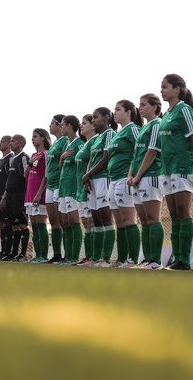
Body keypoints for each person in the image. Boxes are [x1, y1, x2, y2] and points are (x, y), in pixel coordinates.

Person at [158, 74, 193, 271]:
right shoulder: (166, 114)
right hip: (167, 169)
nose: (162, 90)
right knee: (173, 214)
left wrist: (192, 162)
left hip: (182, 167)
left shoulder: (184, 109)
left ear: (177, 89)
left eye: (165, 87)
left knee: (183, 212)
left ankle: (185, 259)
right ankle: (177, 258)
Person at [129, 94, 164, 270]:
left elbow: (152, 152)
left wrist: (138, 176)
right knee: (143, 220)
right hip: (137, 179)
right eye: (139, 104)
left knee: (152, 218)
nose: (140, 108)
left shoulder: (157, 124)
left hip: (151, 176)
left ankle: (155, 260)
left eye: (143, 104)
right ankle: (147, 258)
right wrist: (131, 175)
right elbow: (135, 155)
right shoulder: (143, 127)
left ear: (155, 106)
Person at [108, 100, 141, 267]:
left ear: (128, 112)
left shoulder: (133, 129)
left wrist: (132, 173)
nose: (114, 112)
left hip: (124, 178)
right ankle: (121, 259)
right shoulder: (118, 133)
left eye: (118, 109)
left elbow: (140, 150)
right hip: (113, 180)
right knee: (119, 222)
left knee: (129, 220)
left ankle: (133, 259)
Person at [82, 107, 117, 267]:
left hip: (104, 180)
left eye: (96, 117)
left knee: (105, 218)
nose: (93, 120)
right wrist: (87, 177)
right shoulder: (96, 138)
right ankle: (96, 258)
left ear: (106, 118)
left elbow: (106, 158)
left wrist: (88, 174)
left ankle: (106, 258)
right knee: (96, 220)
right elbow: (91, 159)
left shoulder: (110, 134)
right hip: (93, 181)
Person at [58, 116, 85, 264]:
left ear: (69, 126)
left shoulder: (79, 144)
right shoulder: (66, 144)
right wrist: (61, 159)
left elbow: (83, 164)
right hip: (63, 187)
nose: (61, 128)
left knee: (74, 221)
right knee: (65, 222)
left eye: (63, 125)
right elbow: (60, 167)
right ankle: (67, 256)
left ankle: (74, 257)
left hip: (73, 187)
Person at [1, 136, 30, 261]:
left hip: (20, 195)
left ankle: (23, 254)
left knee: (22, 224)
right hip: (10, 196)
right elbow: (9, 179)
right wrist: (5, 195)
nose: (11, 143)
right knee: (14, 226)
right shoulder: (13, 159)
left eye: (13, 141)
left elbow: (27, 175)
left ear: (21, 143)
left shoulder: (24, 157)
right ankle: (14, 253)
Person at [75, 115, 98, 265]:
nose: (81, 126)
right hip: (79, 188)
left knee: (93, 222)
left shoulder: (95, 141)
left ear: (93, 125)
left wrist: (88, 179)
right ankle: (89, 256)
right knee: (86, 224)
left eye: (84, 123)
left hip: (89, 187)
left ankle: (96, 256)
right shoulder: (85, 144)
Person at [44, 115, 67, 263]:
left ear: (60, 125)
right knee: (53, 220)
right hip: (50, 184)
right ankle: (57, 254)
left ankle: (68, 254)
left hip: (59, 183)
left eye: (52, 123)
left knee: (62, 220)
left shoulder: (65, 141)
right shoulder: (54, 144)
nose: (49, 125)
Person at [25, 129, 50, 262]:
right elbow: (26, 174)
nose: (32, 139)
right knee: (33, 225)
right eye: (32, 136)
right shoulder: (34, 154)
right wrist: (30, 162)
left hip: (39, 194)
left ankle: (43, 256)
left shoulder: (46, 154)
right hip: (29, 194)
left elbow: (47, 176)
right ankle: (37, 255)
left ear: (43, 138)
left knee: (41, 223)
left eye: (35, 136)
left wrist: (39, 193)